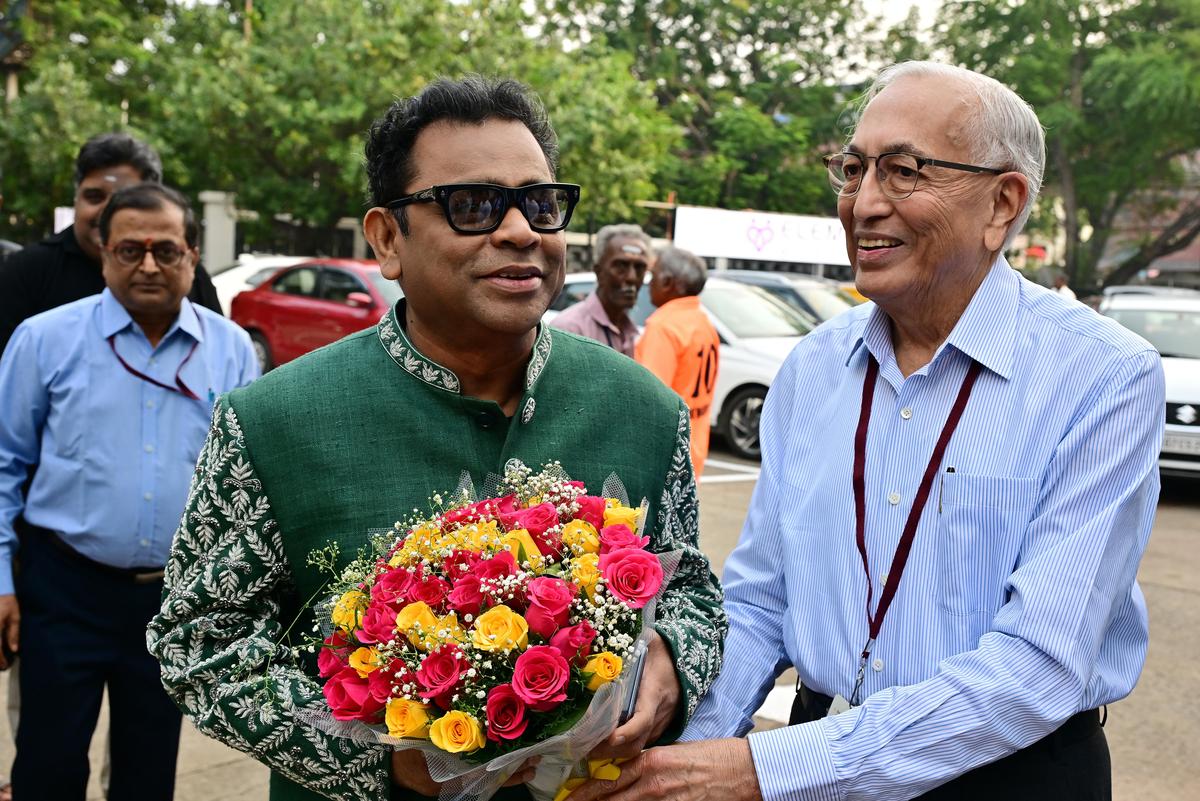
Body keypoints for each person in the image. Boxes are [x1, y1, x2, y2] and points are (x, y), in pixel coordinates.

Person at [570, 61, 1164, 801]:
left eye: (904, 171)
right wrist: (676, 762)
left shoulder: (1101, 376)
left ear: (1002, 203)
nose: (865, 203)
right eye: (853, 170)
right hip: (814, 754)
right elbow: (762, 602)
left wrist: (758, 770)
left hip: (1007, 774)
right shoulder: (814, 366)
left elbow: (1038, 664)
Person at [147, 75, 726, 801]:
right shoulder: (271, 422)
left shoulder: (644, 410)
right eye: (473, 205)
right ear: (388, 239)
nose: (520, 232)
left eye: (539, 204)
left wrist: (672, 663)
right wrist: (379, 758)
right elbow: (200, 641)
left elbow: (692, 592)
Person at [0, 183, 259, 800]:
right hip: (62, 589)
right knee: (47, 766)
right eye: (129, 250)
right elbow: (4, 465)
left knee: (147, 773)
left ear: (192, 256)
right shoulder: (44, 339)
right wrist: (2, 582)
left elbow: (243, 483)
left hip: (171, 602)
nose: (148, 265)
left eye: (165, 250)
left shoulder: (230, 349)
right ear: (103, 254)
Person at [0, 132, 222, 355]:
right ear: (76, 199)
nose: (108, 211)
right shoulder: (27, 272)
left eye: (125, 199)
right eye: (95, 197)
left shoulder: (186, 275)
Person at [635, 246, 720, 478]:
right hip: (694, 448)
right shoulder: (702, 321)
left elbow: (650, 400)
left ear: (667, 282)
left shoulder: (664, 326)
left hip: (666, 457)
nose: (648, 284)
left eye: (653, 276)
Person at [551, 223, 651, 357]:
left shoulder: (629, 331)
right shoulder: (570, 328)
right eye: (621, 266)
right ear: (599, 272)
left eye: (639, 268)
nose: (631, 277)